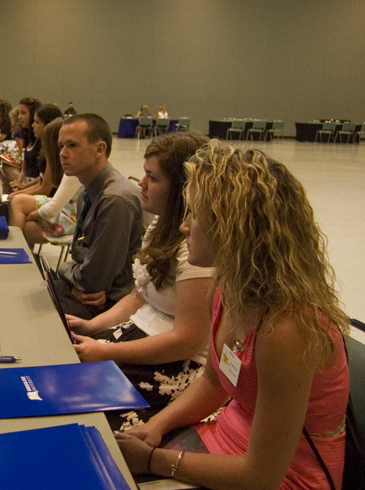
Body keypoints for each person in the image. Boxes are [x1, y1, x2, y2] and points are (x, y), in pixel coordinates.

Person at [115, 141, 349, 489]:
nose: (183, 226)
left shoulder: (286, 329)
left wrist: (154, 459)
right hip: (227, 438)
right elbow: (213, 382)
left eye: (194, 214)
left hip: (287, 475)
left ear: (232, 228)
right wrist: (156, 426)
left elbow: (261, 475)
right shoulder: (227, 285)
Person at [65, 132, 213, 430]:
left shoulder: (194, 250)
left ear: (182, 189)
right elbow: (139, 296)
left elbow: (187, 341)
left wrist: (106, 351)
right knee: (65, 364)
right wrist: (92, 326)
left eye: (152, 178)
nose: (141, 185)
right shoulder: (160, 225)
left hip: (178, 363)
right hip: (141, 336)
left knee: (83, 411)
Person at [53, 114, 143, 319]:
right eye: (61, 146)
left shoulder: (114, 199)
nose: (63, 154)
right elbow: (81, 258)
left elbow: (93, 282)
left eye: (72, 145)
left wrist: (64, 268)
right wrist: (74, 273)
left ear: (99, 149)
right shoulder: (88, 194)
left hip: (110, 304)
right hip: (89, 293)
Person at [9, 117, 82, 245]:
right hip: (68, 209)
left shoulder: (75, 168)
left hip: (74, 216)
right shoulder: (63, 163)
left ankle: (13, 251)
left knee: (24, 218)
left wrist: (33, 214)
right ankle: (15, 251)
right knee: (20, 208)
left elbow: (51, 206)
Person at [8, 104, 63, 197]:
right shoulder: (45, 146)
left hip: (50, 197)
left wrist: (17, 194)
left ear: (48, 125)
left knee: (17, 202)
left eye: (37, 122)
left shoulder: (54, 151)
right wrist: (21, 189)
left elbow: (45, 189)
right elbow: (41, 180)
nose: (33, 125)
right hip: (42, 192)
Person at [10, 96, 42, 191]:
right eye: (19, 113)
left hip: (35, 187)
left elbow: (43, 179)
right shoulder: (26, 137)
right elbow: (24, 170)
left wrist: (22, 188)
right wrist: (17, 184)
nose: (19, 117)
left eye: (23, 113)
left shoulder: (41, 140)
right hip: (27, 184)